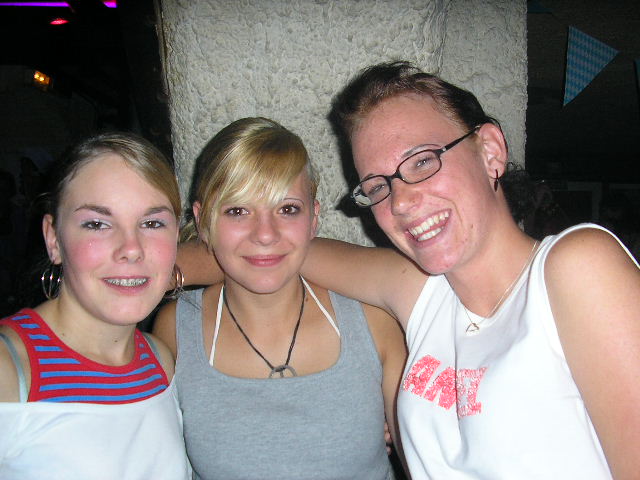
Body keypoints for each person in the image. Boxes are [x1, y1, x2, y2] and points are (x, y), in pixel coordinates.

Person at [178, 63, 640, 479]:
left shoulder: (574, 268)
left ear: (490, 150)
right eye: (378, 185)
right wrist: (158, 269)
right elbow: (281, 249)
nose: (400, 201)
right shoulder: (423, 294)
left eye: (422, 161)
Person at [153, 117, 407, 480]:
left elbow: (423, 458)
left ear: (313, 217)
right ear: (203, 220)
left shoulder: (372, 320)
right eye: (238, 210)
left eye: (287, 209)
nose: (265, 234)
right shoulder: (176, 330)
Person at [0, 132, 191, 479]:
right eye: (97, 224)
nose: (131, 249)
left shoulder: (159, 361)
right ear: (53, 239)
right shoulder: (10, 370)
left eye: (152, 223)